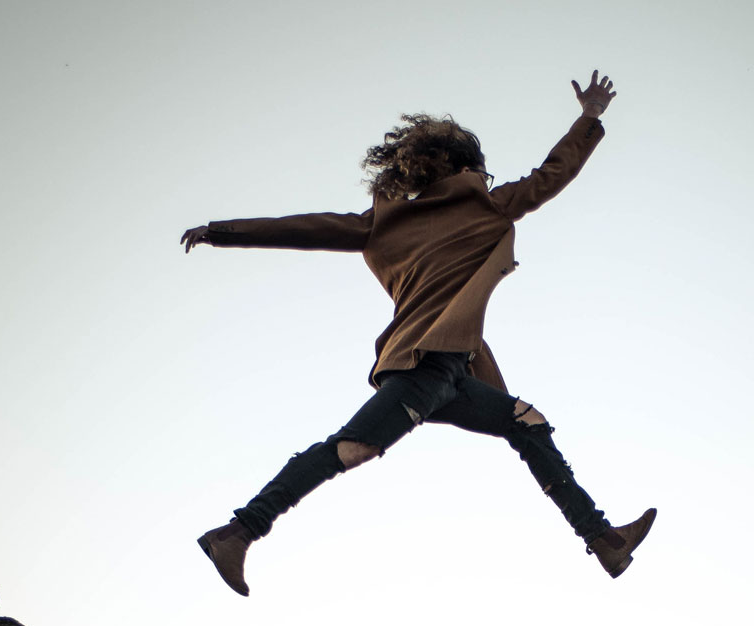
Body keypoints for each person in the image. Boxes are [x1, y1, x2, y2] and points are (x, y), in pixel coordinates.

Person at [182, 70, 654, 597]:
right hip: (422, 367)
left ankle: (603, 539)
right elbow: (551, 175)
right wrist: (588, 118)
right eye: (481, 168)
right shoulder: (485, 205)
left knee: (526, 422)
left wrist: (222, 232)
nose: (488, 177)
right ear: (465, 168)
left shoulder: (383, 222)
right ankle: (239, 531)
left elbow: (304, 226)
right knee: (352, 448)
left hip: (452, 370)